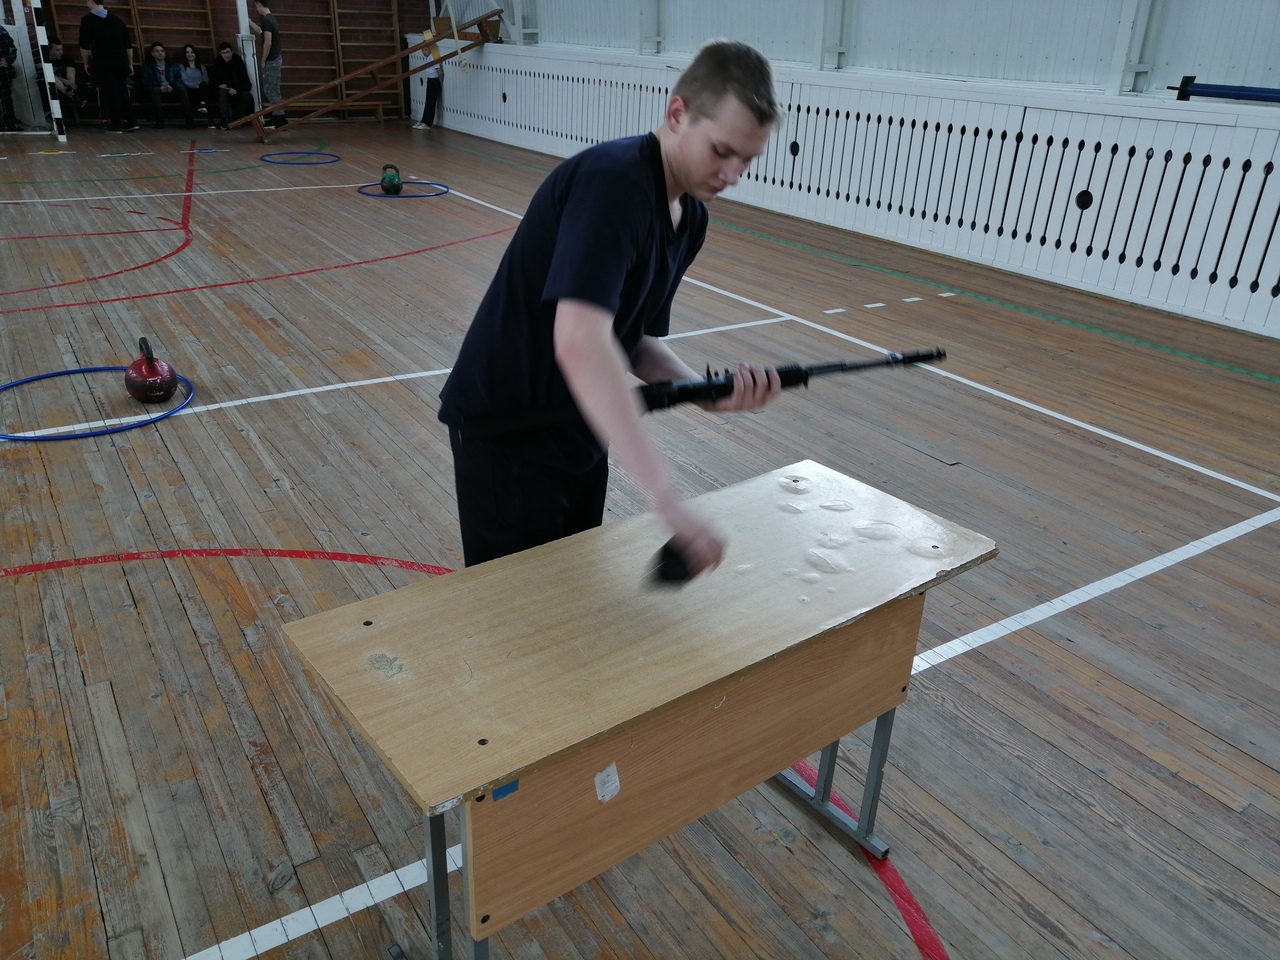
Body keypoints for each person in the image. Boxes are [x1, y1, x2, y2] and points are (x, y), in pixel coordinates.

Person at [438, 40, 782, 576]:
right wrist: (667, 500)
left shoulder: (690, 217)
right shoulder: (614, 183)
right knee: (516, 613)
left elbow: (632, 339)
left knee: (574, 597)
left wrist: (704, 393)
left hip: (578, 431)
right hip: (508, 433)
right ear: (677, 114)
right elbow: (581, 342)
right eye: (721, 151)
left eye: (747, 160)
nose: (733, 175)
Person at [78, 0, 138, 133]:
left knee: (110, 92)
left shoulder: (87, 20)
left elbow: (84, 45)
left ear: (90, 2)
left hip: (103, 61)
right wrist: (130, 63)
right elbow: (128, 45)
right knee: (123, 90)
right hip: (120, 61)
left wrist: (86, 62)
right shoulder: (118, 20)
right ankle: (130, 122)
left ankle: (116, 124)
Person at [248, 0, 285, 127]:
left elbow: (268, 42)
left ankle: (280, 118)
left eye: (256, 6)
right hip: (276, 58)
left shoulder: (267, 21)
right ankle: (278, 115)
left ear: (259, 4)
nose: (256, 9)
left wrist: (263, 60)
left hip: (272, 59)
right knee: (274, 89)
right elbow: (261, 32)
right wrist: (250, 22)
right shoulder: (270, 19)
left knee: (270, 89)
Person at [139, 41, 191, 128]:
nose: (160, 53)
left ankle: (189, 119)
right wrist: (160, 86)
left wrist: (171, 85)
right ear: (152, 54)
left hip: (171, 89)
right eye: (157, 51)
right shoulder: (147, 67)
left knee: (181, 88)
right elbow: (145, 82)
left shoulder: (173, 66)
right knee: (155, 90)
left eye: (162, 51)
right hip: (158, 91)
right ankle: (159, 120)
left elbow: (179, 80)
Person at [208, 41, 252, 129]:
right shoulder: (217, 64)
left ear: (232, 52)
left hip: (236, 91)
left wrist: (236, 89)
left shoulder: (239, 63)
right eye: (223, 53)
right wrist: (219, 85)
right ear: (220, 53)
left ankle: (237, 116)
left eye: (227, 52)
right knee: (222, 93)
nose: (226, 55)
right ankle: (224, 119)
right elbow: (212, 81)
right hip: (222, 91)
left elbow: (247, 84)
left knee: (247, 95)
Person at [47, 38, 84, 125]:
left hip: (66, 90)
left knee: (69, 86)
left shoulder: (67, 59)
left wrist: (69, 84)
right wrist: (62, 80)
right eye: (57, 50)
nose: (60, 52)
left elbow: (71, 80)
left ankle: (70, 94)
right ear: (49, 50)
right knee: (49, 77)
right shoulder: (42, 60)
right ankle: (71, 96)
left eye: (61, 49)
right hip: (49, 90)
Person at [177, 44, 213, 123]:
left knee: (204, 87)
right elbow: (185, 81)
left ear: (195, 53)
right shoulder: (182, 67)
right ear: (185, 54)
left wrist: (200, 85)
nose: (190, 54)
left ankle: (203, 104)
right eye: (187, 52)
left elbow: (206, 80)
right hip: (190, 92)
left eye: (192, 52)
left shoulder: (202, 67)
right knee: (204, 93)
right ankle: (210, 120)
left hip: (202, 91)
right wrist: (196, 85)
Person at [411, 50, 441, 130]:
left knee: (431, 102)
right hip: (430, 79)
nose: (424, 52)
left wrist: (440, 84)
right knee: (428, 102)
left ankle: (428, 123)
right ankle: (424, 120)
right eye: (423, 50)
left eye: (426, 50)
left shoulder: (433, 57)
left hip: (434, 80)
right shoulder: (428, 58)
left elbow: (439, 71)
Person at [0, 23, 20, 132]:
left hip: (4, 68)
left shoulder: (1, 30)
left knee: (6, 96)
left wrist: (7, 60)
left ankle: (10, 123)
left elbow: (12, 48)